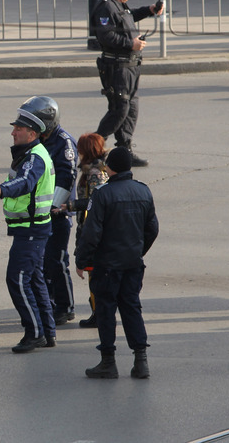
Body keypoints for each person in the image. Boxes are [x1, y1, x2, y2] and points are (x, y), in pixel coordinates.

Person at [74, 146, 158, 379]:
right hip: (132, 263)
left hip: (107, 266)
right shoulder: (143, 191)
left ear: (110, 167)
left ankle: (108, 361)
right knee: (132, 307)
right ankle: (141, 361)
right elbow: (152, 229)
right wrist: (138, 250)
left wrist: (81, 260)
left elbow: (91, 233)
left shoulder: (102, 194)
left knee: (106, 310)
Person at [0, 104, 57, 353]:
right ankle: (47, 332)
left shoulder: (34, 157)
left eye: (18, 128)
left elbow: (25, 182)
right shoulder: (31, 154)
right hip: (31, 229)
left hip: (31, 230)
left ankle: (34, 333)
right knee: (35, 280)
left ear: (32, 133)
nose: (13, 132)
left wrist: (2, 190)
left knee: (17, 280)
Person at [91, 0, 163, 167]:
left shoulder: (117, 4)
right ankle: (92, 148)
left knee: (131, 108)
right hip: (116, 67)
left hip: (129, 67)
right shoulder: (105, 6)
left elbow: (129, 16)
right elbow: (106, 36)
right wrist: (130, 44)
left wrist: (149, 10)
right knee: (119, 109)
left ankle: (125, 150)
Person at [26, 97, 79, 326]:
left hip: (58, 213)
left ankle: (65, 307)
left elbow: (67, 178)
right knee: (42, 260)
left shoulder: (64, 143)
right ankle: (48, 303)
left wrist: (53, 208)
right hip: (40, 211)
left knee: (56, 260)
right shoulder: (38, 140)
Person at [66, 132, 109, 328]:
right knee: (94, 274)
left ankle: (99, 314)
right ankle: (97, 312)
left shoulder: (94, 173)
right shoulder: (94, 169)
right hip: (90, 226)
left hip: (93, 229)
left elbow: (94, 201)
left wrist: (70, 206)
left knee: (95, 273)